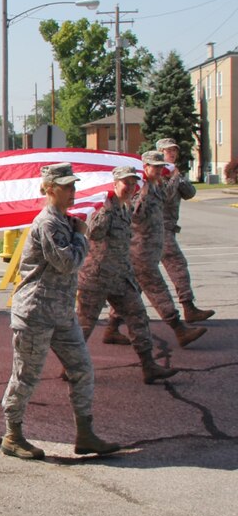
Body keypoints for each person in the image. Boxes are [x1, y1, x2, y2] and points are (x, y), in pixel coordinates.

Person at [0, 163, 120, 460]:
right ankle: (12, 435)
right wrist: (81, 236)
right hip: (36, 313)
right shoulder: (48, 224)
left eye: (74, 186)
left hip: (61, 313)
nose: (73, 192)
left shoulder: (64, 221)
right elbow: (66, 262)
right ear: (50, 189)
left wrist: (77, 231)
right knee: (25, 376)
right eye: (67, 187)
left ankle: (85, 434)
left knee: (82, 369)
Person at [76, 166, 178, 385]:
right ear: (115, 184)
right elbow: (93, 232)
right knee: (84, 326)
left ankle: (149, 366)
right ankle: (71, 367)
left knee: (138, 317)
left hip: (121, 277)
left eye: (133, 183)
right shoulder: (106, 208)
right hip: (97, 277)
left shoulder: (126, 207)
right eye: (125, 183)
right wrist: (103, 211)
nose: (130, 187)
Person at [125, 151, 207, 348]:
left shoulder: (157, 186)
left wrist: (175, 177)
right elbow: (133, 216)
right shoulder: (140, 189)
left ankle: (111, 327)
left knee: (129, 292)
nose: (159, 169)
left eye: (161, 166)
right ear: (145, 168)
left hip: (151, 249)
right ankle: (179, 330)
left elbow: (175, 196)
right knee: (158, 290)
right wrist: (143, 196)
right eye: (155, 167)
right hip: (140, 251)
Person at [157, 137, 214, 323]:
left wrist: (178, 177)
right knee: (177, 266)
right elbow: (165, 196)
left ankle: (115, 320)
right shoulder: (155, 174)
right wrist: (173, 178)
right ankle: (188, 307)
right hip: (157, 230)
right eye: (168, 150)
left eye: (174, 150)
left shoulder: (175, 173)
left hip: (167, 229)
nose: (172, 153)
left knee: (142, 275)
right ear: (160, 153)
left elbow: (190, 193)